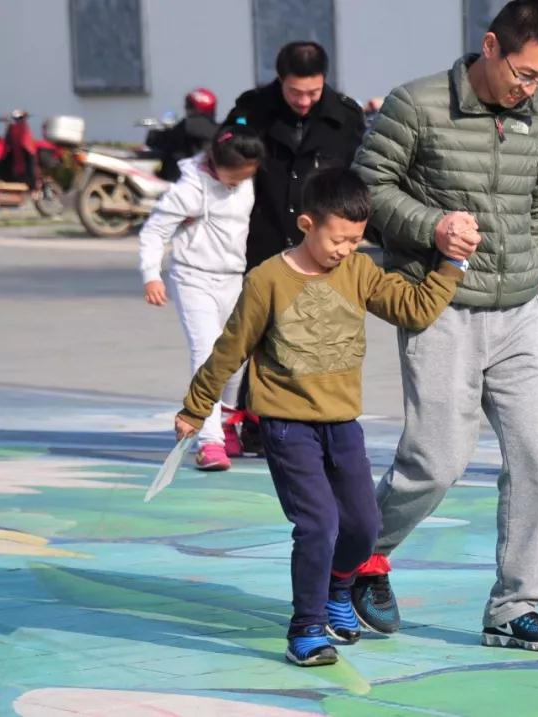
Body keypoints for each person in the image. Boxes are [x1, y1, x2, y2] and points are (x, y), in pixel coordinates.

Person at [174, 167, 467, 667]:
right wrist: (197, 406)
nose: (346, 250)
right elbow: (230, 350)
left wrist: (452, 264)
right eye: (338, 239)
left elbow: (413, 309)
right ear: (307, 224)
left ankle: (338, 588)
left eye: (356, 240)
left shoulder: (359, 271)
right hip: (287, 425)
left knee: (363, 525)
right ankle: (306, 628)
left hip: (342, 425)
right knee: (318, 524)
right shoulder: (267, 280)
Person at [351, 0, 538, 652]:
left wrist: (532, 272)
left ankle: (515, 607)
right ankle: (360, 555)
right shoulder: (416, 104)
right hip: (442, 306)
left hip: (522, 311)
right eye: (524, 73)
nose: (531, 89)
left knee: (537, 459)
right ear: (492, 46)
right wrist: (434, 227)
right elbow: (368, 186)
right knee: (437, 461)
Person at [224, 41, 367, 453]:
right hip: (264, 236)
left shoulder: (345, 116)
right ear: (280, 80)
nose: (303, 101)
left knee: (309, 333)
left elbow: (360, 176)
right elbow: (227, 160)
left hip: (319, 244)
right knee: (258, 332)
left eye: (312, 92)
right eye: (294, 92)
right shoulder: (253, 109)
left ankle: (300, 421)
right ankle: (249, 418)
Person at [139, 126, 266, 470]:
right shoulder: (189, 190)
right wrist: (151, 275)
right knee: (208, 354)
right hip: (193, 277)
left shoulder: (246, 183)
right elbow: (154, 231)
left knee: (237, 355)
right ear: (216, 164)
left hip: (232, 277)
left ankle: (225, 422)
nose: (239, 183)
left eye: (247, 176)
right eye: (234, 176)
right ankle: (209, 442)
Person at [146, 88, 219, 182]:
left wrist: (154, 130)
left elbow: (155, 141)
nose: (186, 108)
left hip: (183, 182)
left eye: (189, 105)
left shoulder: (186, 125)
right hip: (211, 182)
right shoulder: (220, 130)